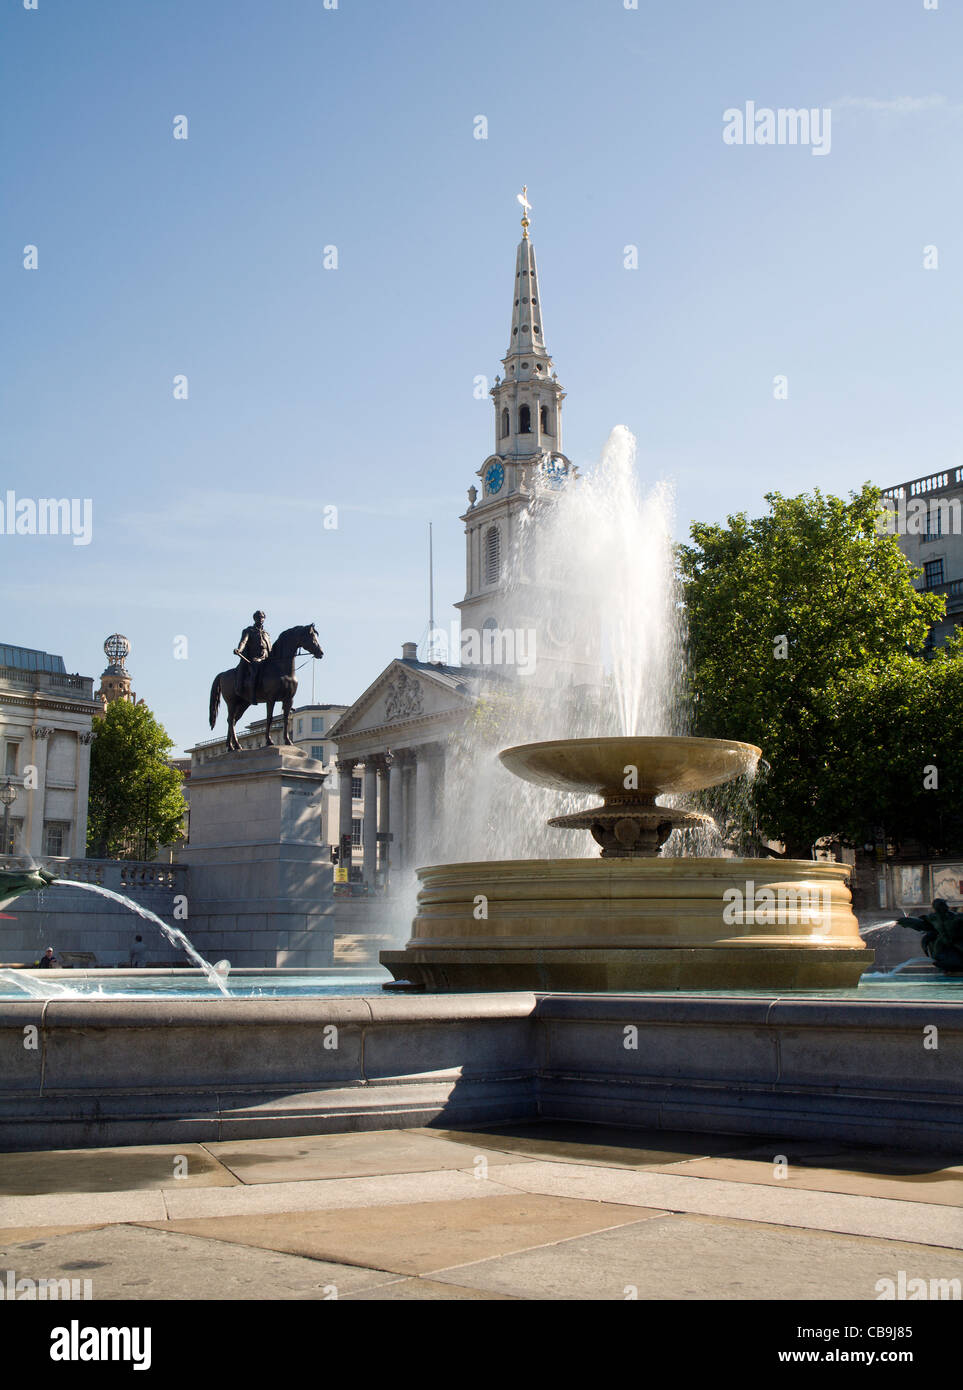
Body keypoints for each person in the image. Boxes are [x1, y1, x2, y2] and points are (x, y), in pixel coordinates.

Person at [234, 610, 272, 706]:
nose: (260, 619)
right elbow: (243, 642)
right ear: (254, 619)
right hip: (254, 658)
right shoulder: (249, 631)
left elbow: (270, 648)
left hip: (266, 658)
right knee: (255, 668)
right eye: (258, 617)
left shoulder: (266, 633)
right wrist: (239, 649)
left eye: (262, 617)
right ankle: (252, 695)